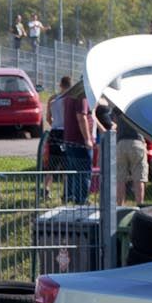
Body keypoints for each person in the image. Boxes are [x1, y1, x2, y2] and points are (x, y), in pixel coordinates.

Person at [49, 75, 95, 205]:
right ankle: (82, 200)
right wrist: (87, 139)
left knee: (72, 171)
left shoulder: (69, 96)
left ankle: (70, 196)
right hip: (79, 141)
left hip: (69, 139)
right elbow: (81, 117)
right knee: (84, 171)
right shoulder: (82, 96)